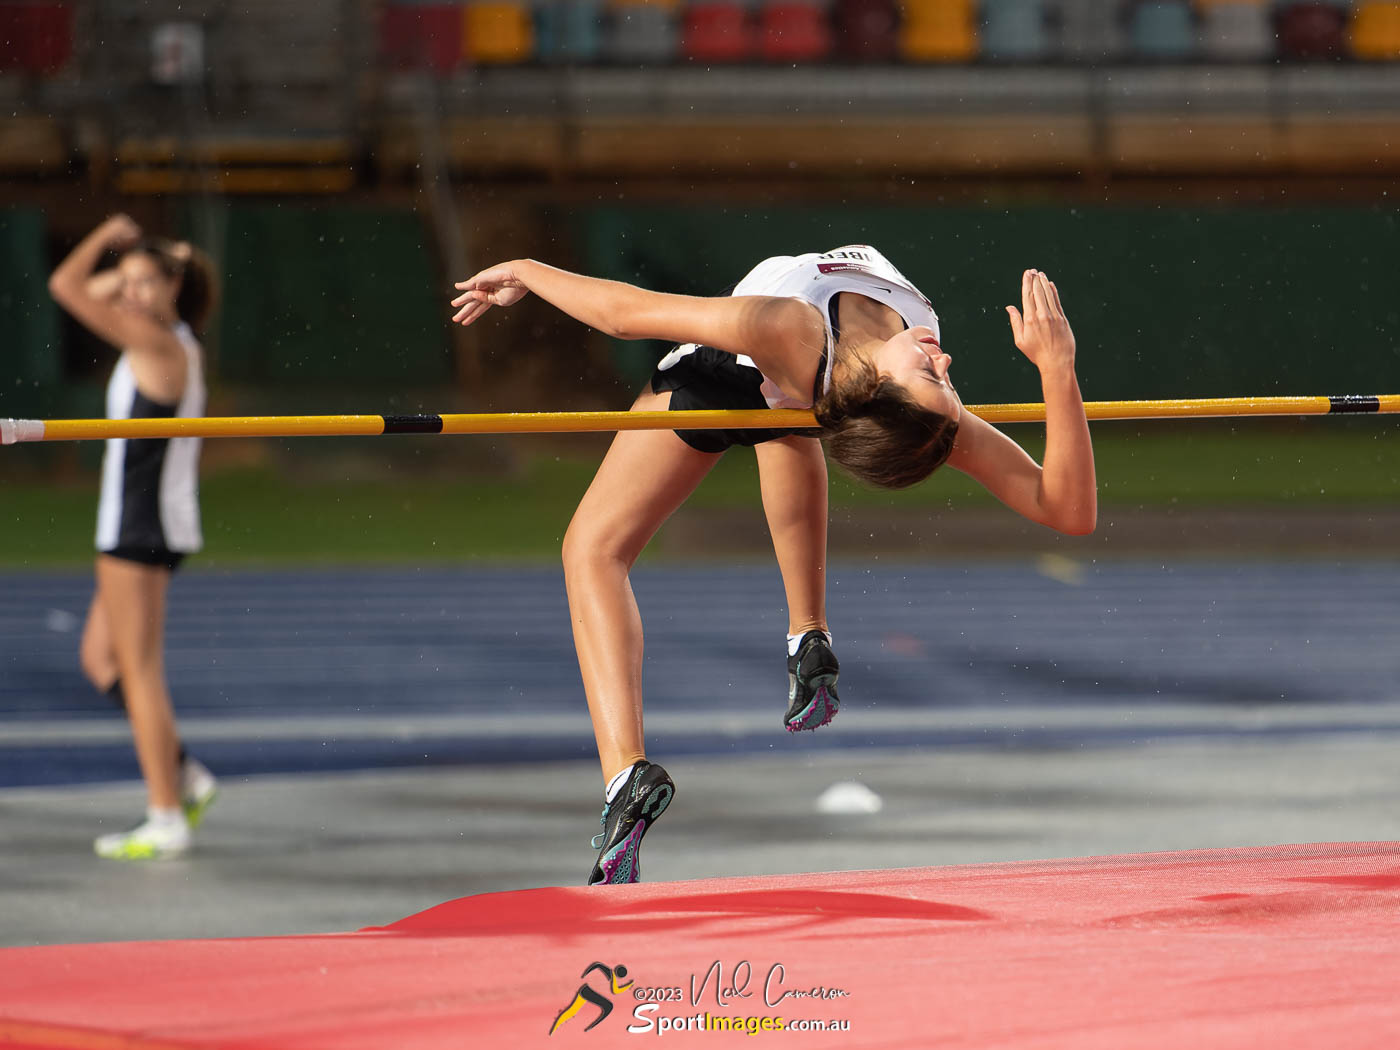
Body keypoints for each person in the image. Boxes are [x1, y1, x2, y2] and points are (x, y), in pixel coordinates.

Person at [451, 245, 1096, 885]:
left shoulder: (810, 346)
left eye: (935, 377)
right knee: (794, 413)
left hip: (714, 383)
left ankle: (626, 772)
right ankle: (806, 636)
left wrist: (527, 272)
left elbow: (631, 314)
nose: (945, 361)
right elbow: (1064, 507)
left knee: (592, 550)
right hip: (790, 389)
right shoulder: (880, 391)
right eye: (944, 379)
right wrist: (1054, 366)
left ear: (877, 389)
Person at [48, 214, 219, 860]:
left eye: (148, 283)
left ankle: (166, 814)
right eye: (129, 284)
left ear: (173, 285)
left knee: (140, 672)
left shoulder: (156, 343)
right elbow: (92, 293)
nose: (131, 294)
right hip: (145, 521)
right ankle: (185, 776)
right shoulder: (170, 336)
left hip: (138, 526)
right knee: (100, 660)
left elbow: (67, 287)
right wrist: (132, 266)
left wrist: (105, 238)